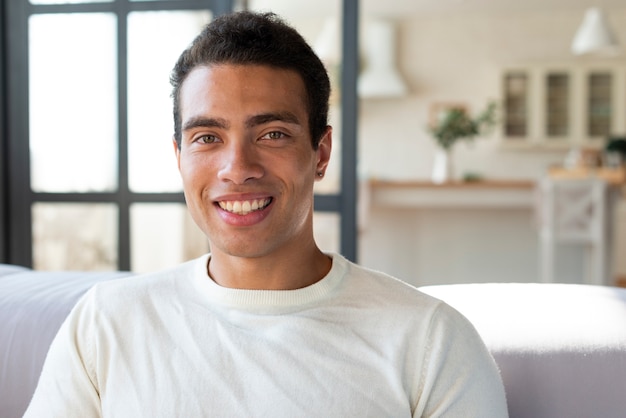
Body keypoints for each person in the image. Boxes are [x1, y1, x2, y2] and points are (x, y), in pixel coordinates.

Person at [24, 11, 508, 417]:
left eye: (272, 134)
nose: (237, 169)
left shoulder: (430, 342)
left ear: (320, 153)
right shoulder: (105, 323)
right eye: (207, 138)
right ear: (179, 158)